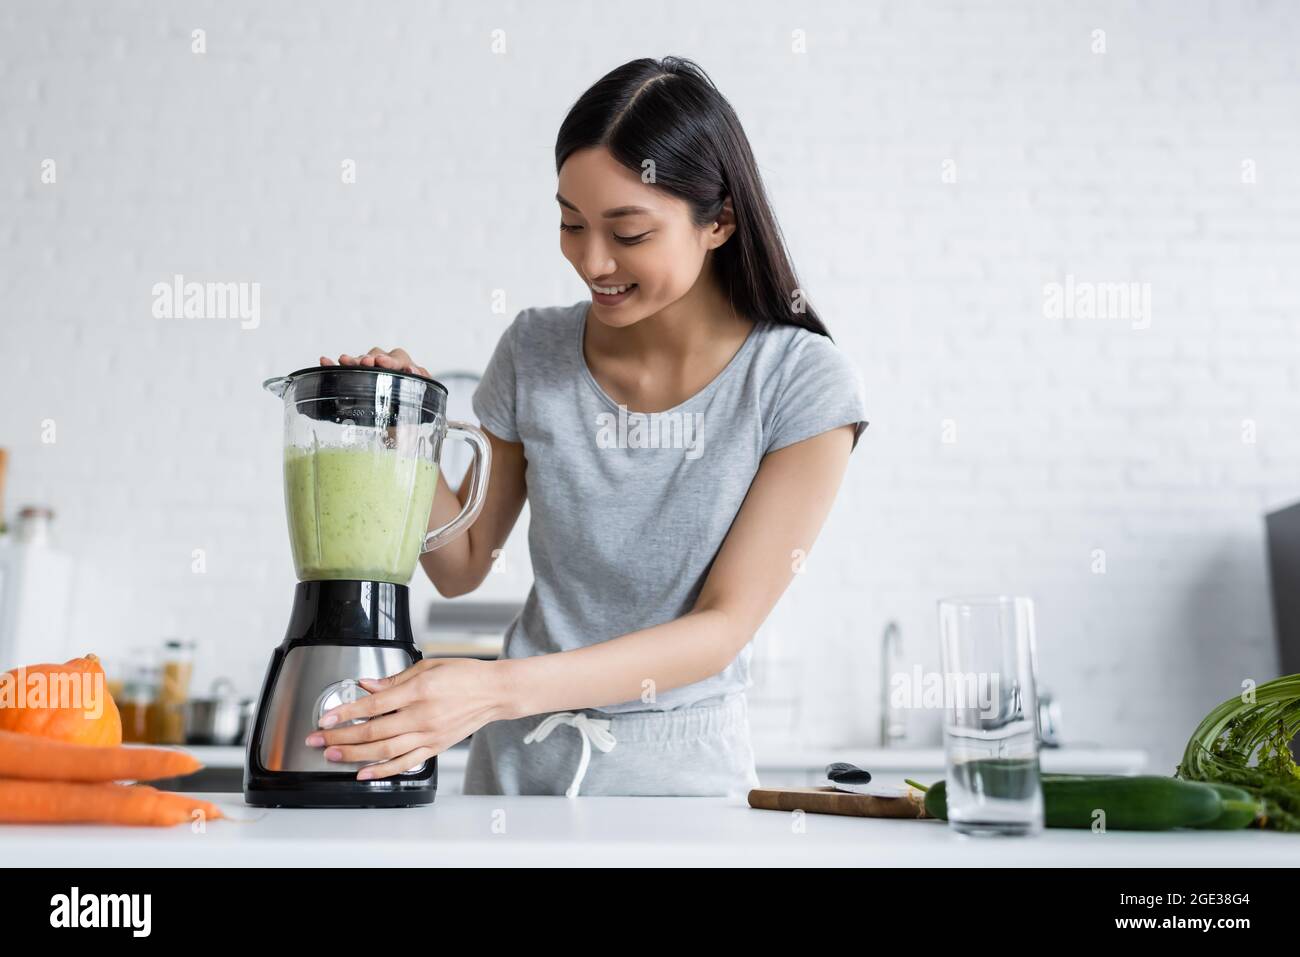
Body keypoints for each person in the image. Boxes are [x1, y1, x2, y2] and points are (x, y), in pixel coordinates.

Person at [308, 56, 868, 797]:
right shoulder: (534, 349)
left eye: (628, 232)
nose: (591, 260)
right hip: (517, 775)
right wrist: (403, 436)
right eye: (571, 223)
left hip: (682, 788)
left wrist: (495, 689)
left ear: (720, 221)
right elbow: (461, 560)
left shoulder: (799, 381)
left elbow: (722, 625)